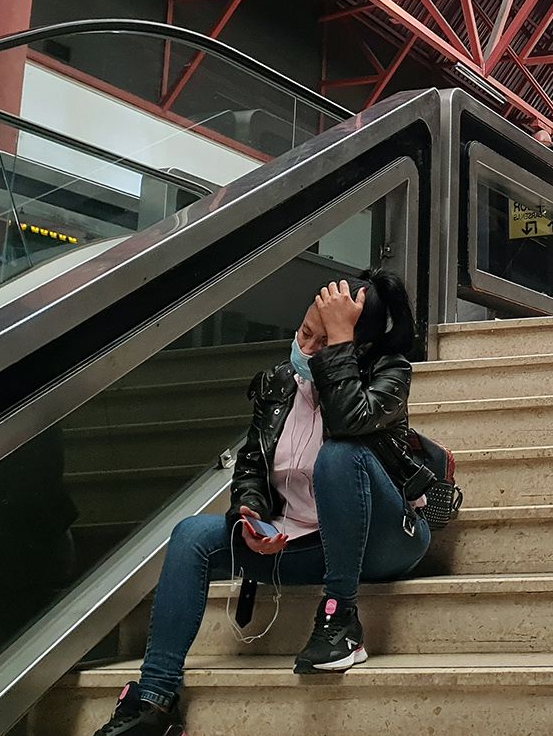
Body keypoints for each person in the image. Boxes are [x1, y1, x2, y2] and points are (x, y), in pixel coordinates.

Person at [95, 269, 428, 736]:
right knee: (191, 535)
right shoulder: (278, 384)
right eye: (304, 332)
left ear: (353, 344)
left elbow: (351, 422)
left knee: (339, 455)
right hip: (305, 543)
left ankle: (341, 620)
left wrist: (337, 353)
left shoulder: (390, 374)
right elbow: (251, 464)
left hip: (383, 539)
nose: (305, 348)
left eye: (323, 338)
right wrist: (249, 514)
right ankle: (155, 701)